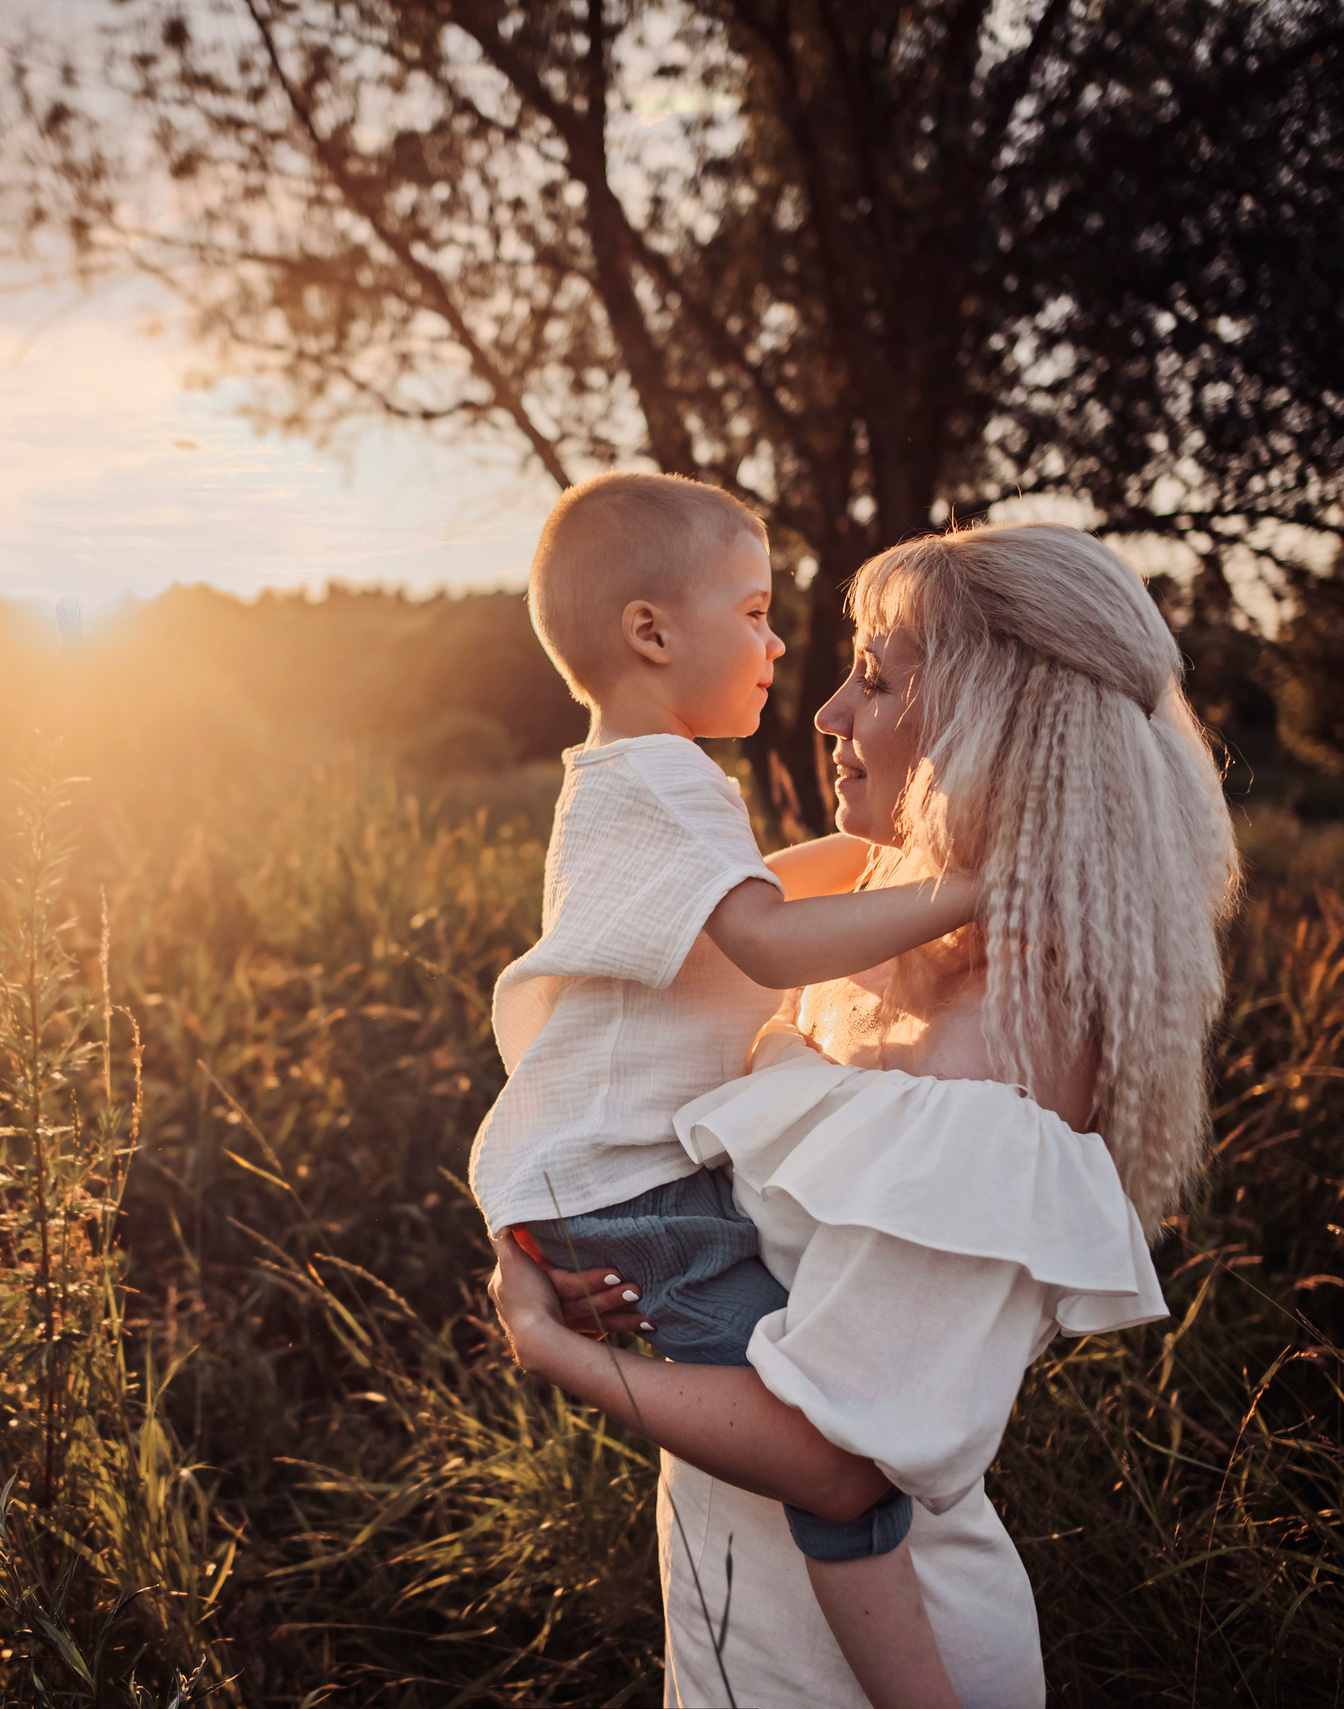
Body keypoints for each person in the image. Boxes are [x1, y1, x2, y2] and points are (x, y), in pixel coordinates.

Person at [489, 520, 1242, 1706]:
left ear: (998, 723)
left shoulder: (1007, 1045)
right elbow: (612, 999)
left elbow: (832, 1461)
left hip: (885, 1665)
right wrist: (583, 1246)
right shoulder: (882, 926)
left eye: (877, 680)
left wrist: (552, 1348)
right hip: (746, 1617)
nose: (828, 710)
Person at [471, 471, 980, 1706]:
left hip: (604, 1177)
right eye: (753, 612)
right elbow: (764, 938)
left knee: (819, 1407)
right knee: (834, 1456)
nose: (775, 645)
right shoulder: (659, 778)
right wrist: (968, 891)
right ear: (651, 632)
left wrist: (893, 854)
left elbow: (752, 891)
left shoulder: (628, 777)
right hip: (630, 1191)